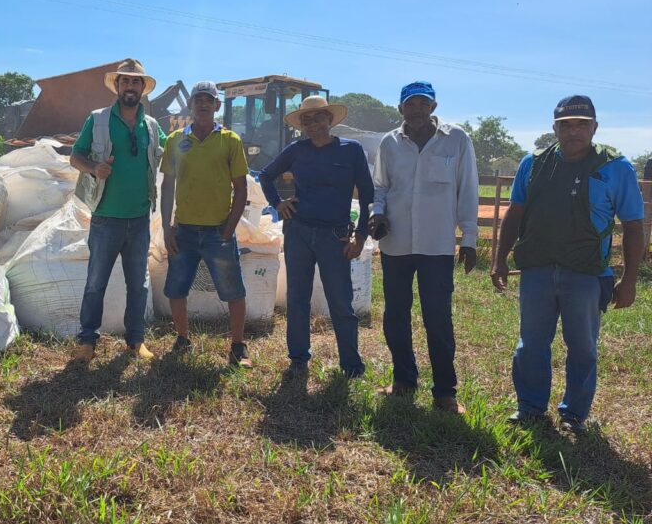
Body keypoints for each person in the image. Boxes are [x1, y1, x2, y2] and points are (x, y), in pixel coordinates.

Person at [492, 95, 644, 433]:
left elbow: (633, 224)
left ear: (594, 127)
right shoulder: (533, 164)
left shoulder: (615, 168)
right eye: (565, 125)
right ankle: (530, 407)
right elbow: (515, 212)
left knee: (583, 347)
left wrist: (629, 279)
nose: (573, 131)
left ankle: (574, 414)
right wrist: (500, 259)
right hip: (538, 270)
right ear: (554, 128)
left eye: (581, 124)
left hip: (588, 274)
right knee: (530, 343)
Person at [370, 81, 479, 414]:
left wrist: (470, 239)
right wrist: (378, 214)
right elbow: (380, 187)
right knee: (395, 316)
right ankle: (404, 380)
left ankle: (445, 391)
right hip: (396, 244)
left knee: (438, 318)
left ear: (433, 106)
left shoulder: (456, 139)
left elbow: (468, 189)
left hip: (437, 245)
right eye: (409, 104)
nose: (416, 110)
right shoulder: (389, 143)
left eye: (422, 104)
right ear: (400, 108)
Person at [258, 96, 373, 379]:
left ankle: (351, 365)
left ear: (330, 120)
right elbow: (265, 175)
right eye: (307, 120)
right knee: (298, 298)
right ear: (302, 125)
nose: (313, 124)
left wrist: (360, 237)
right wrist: (278, 203)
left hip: (335, 236)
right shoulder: (297, 150)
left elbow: (368, 194)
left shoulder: (351, 151)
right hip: (298, 232)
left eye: (319, 117)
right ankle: (298, 358)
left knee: (341, 301)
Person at [69, 58, 166, 363]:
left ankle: (135, 342)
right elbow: (75, 156)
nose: (130, 87)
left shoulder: (151, 125)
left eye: (136, 82)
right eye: (125, 81)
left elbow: (170, 150)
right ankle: (87, 341)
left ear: (142, 88)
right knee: (96, 282)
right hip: (106, 218)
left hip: (139, 218)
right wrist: (93, 168)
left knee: (138, 284)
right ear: (117, 86)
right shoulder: (97, 120)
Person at [160, 81, 252, 368]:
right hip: (184, 230)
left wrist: (229, 228)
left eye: (208, 100)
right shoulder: (176, 140)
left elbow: (241, 189)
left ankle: (238, 345)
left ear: (217, 106)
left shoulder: (230, 140)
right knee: (176, 288)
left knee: (233, 290)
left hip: (218, 231)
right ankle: (183, 338)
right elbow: (167, 186)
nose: (202, 104)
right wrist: (166, 227)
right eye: (198, 99)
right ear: (190, 105)